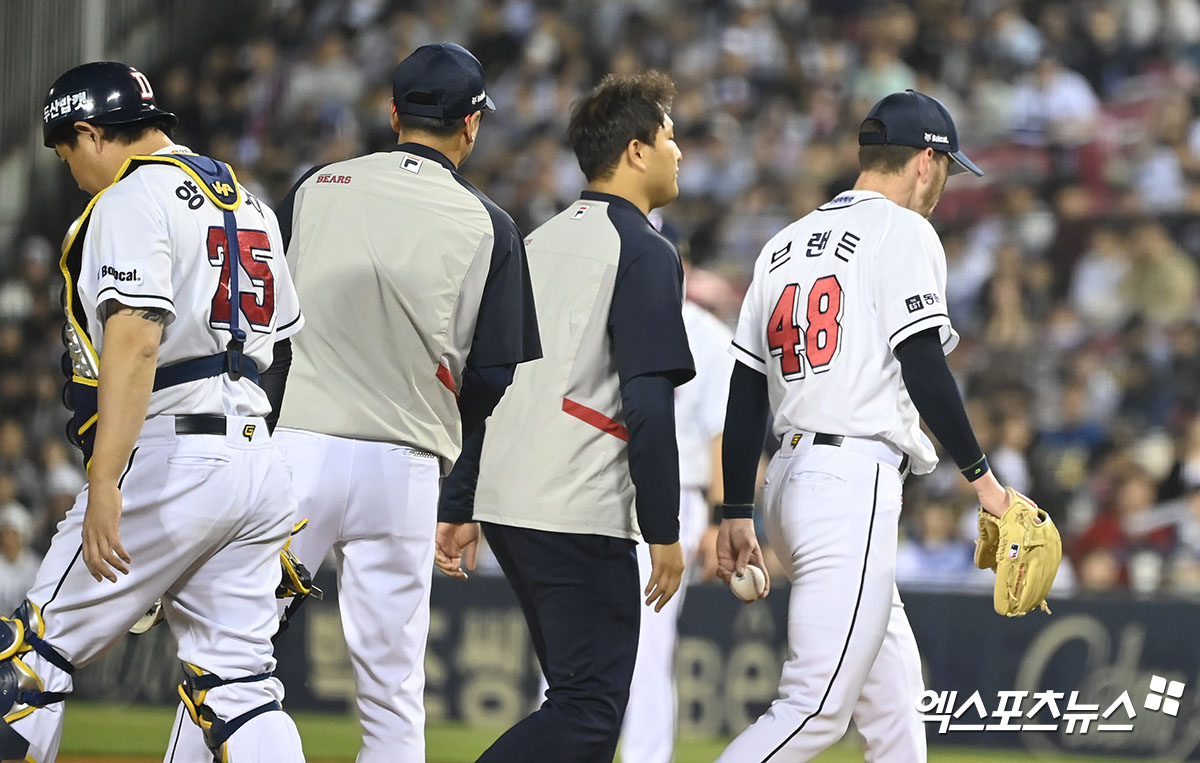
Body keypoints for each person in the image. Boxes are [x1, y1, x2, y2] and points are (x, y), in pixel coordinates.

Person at [168, 42, 541, 763]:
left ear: (394, 112)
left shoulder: (315, 185)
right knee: (393, 691)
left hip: (297, 451)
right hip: (403, 472)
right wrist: (455, 491)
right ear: (470, 125)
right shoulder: (491, 223)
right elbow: (493, 380)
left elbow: (250, 312)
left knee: (230, 657)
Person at [2, 62, 305, 763]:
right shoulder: (248, 201)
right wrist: (252, 469)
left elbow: (136, 341)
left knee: (30, 653)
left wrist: (107, 481)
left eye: (66, 149)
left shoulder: (131, 198)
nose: (69, 167)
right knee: (242, 683)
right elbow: (282, 347)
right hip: (256, 452)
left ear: (89, 131)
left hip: (171, 447)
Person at [715, 90, 1012, 762]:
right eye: (946, 169)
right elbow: (922, 364)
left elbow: (743, 389)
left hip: (791, 481)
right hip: (849, 482)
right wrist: (984, 480)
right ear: (926, 161)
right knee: (815, 708)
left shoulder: (783, 243)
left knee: (895, 707)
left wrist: (736, 506)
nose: (942, 186)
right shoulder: (903, 231)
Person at [435, 70, 695, 762]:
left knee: (578, 706)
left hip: (508, 501)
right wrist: (665, 531)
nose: (680, 152)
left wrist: (461, 499)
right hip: (576, 505)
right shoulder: (643, 251)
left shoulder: (533, 241)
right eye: (670, 137)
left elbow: (485, 382)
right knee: (588, 711)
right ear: (636, 151)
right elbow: (646, 400)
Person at [620, 287, 732, 763]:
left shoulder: (706, 333)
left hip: (679, 492)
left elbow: (721, 431)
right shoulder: (610, 312)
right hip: (600, 486)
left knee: (649, 646)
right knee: (576, 641)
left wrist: (718, 518)